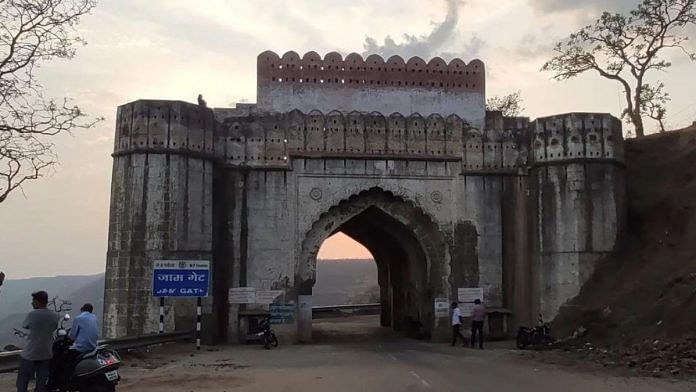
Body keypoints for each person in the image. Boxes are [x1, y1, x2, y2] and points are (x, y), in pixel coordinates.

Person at [16, 291, 60, 392]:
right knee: (41, 381)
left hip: (31, 353)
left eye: (33, 301)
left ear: (37, 302)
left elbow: (25, 325)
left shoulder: (32, 314)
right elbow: (54, 327)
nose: (32, 303)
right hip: (46, 352)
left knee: (22, 380)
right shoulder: (55, 315)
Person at [50, 303, 99, 389]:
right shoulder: (94, 317)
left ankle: (65, 383)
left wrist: (68, 339)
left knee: (63, 361)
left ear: (82, 309)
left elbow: (72, 336)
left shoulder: (79, 318)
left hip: (81, 348)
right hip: (93, 347)